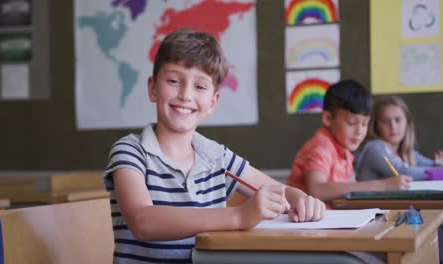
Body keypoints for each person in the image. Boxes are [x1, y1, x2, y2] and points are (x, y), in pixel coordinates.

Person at [103, 28, 325, 264]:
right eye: (173, 81)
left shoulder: (217, 157)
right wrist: (239, 216)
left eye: (200, 87)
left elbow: (279, 191)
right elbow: (143, 221)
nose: (186, 95)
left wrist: (301, 198)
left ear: (212, 102)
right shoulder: (130, 151)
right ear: (152, 88)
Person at [287, 80, 412, 202]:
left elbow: (350, 194)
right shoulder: (321, 146)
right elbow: (317, 190)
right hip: (305, 221)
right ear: (328, 118)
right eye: (352, 123)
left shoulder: (345, 152)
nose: (359, 131)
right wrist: (383, 185)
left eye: (364, 124)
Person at [355, 95, 443, 181]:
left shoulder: (406, 152)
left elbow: (432, 166)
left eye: (398, 120)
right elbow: (403, 172)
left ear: (407, 123)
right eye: (385, 121)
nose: (393, 126)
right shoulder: (373, 148)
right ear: (376, 125)